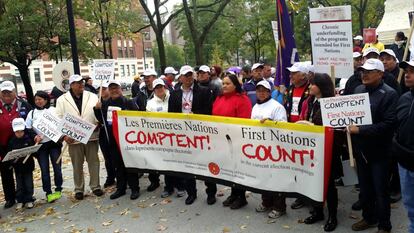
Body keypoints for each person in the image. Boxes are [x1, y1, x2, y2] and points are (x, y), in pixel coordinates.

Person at [349, 59, 397, 233]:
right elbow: (350, 114)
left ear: (380, 74)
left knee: (380, 191)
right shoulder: (358, 90)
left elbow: (388, 125)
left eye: (369, 71)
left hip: (380, 153)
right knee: (365, 189)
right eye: (363, 71)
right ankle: (369, 218)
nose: (365, 74)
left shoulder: (389, 94)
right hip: (361, 151)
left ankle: (384, 226)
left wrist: (360, 130)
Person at [299, 73, 340, 232]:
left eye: (313, 84)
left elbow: (333, 129)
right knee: (314, 181)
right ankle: (318, 211)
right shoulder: (309, 101)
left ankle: (333, 216)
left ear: (322, 86)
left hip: (327, 149)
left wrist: (309, 126)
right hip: (310, 149)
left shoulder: (331, 104)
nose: (309, 87)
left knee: (329, 185)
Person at [168, 65, 213, 205]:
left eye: (190, 75)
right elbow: (171, 115)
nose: (188, 78)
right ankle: (191, 193)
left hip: (200, 133)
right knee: (187, 164)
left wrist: (197, 116)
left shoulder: (204, 91)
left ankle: (211, 193)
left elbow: (209, 112)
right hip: (183, 135)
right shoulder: (174, 94)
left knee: (206, 163)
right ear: (180, 77)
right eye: (185, 75)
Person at [55, 74, 103, 200]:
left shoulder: (92, 96)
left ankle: (96, 186)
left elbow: (98, 113)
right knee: (77, 164)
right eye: (77, 83)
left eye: (82, 82)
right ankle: (79, 189)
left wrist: (98, 121)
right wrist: (64, 136)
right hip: (73, 138)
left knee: (94, 162)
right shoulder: (61, 99)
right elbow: (58, 118)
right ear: (71, 85)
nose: (81, 84)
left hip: (91, 135)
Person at [94, 80, 140, 200]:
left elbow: (137, 118)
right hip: (113, 140)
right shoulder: (105, 103)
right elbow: (101, 120)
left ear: (121, 89)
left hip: (127, 140)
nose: (114, 91)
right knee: (118, 165)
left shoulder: (128, 102)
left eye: (116, 88)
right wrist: (97, 109)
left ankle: (135, 188)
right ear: (109, 90)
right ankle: (121, 188)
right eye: (111, 88)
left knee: (130, 164)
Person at [213, 74, 252, 209]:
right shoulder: (219, 98)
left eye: (228, 83)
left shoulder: (242, 100)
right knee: (228, 169)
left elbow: (244, 122)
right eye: (223, 83)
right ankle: (233, 194)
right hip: (222, 140)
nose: (224, 86)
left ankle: (241, 196)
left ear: (235, 85)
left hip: (236, 141)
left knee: (237, 169)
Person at [252, 80, 287, 218]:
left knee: (276, 177)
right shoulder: (255, 107)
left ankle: (280, 207)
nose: (261, 93)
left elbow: (284, 128)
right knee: (263, 176)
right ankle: (266, 202)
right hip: (259, 147)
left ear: (269, 92)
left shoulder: (277, 107)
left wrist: (272, 124)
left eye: (264, 90)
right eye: (258, 90)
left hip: (274, 149)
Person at [146, 79, 185, 198]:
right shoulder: (150, 103)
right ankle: (169, 187)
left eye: (161, 87)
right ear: (154, 90)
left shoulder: (173, 97)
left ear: (165, 87)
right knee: (166, 163)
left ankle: (180, 186)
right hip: (161, 138)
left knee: (178, 161)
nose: (160, 89)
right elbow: (149, 121)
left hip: (175, 135)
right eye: (157, 88)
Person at [25, 91, 63, 203]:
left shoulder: (53, 110)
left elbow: (60, 124)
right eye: (36, 99)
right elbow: (28, 128)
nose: (38, 101)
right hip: (41, 146)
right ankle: (48, 192)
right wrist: (35, 136)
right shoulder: (32, 113)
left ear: (46, 100)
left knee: (57, 167)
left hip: (54, 144)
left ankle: (58, 188)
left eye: (40, 99)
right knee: (44, 170)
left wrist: (59, 135)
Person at [0, 81, 32, 209]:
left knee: (23, 171)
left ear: (15, 92)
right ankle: (10, 198)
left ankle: (26, 195)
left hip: (21, 144)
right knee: (5, 172)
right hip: (2, 146)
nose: (7, 94)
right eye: (4, 92)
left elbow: (31, 122)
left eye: (9, 92)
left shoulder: (23, 105)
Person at [283, 62, 310, 210]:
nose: (291, 76)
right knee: (294, 165)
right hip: (291, 131)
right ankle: (299, 193)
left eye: (294, 73)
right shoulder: (290, 89)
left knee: (305, 166)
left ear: (303, 75)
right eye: (291, 73)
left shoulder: (311, 89)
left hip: (305, 133)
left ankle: (306, 195)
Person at [394, 59, 414, 233]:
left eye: (412, 71)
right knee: (411, 209)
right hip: (405, 165)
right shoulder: (404, 98)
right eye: (406, 70)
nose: (407, 74)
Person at [9, 118, 41, 210]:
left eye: (21, 131)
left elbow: (34, 152)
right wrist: (12, 160)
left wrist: (35, 148)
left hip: (28, 166)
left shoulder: (28, 140)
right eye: (17, 131)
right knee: (19, 185)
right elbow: (9, 154)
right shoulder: (12, 141)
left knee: (28, 183)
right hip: (18, 167)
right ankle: (20, 200)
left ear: (24, 130)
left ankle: (29, 199)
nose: (19, 133)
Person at [95, 81, 115, 188]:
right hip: (103, 133)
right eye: (100, 89)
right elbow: (99, 119)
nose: (102, 91)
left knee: (116, 156)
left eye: (104, 89)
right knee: (107, 156)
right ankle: (110, 177)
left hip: (114, 132)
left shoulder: (113, 100)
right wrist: (97, 110)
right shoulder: (98, 103)